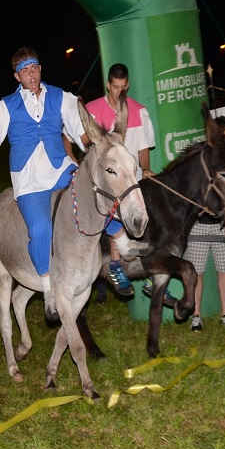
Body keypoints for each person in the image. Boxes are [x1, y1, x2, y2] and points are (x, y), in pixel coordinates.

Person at [0, 47, 91, 321]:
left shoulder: (61, 97)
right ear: (17, 76)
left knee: (96, 195)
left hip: (61, 169)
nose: (32, 74)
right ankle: (49, 289)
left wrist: (95, 150)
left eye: (35, 68)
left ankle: (120, 251)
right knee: (39, 228)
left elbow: (82, 132)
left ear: (40, 68)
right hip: (29, 180)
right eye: (25, 71)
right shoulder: (6, 107)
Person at [85, 63, 168, 303]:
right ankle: (116, 267)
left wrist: (146, 168)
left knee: (152, 220)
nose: (119, 92)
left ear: (127, 85)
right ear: (108, 85)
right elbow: (82, 143)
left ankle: (156, 275)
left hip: (133, 178)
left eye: (123, 87)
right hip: (109, 183)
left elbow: (143, 147)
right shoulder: (93, 110)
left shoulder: (139, 112)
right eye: (115, 87)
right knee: (114, 211)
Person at [184, 116, 225, 331]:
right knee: (197, 273)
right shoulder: (202, 161)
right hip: (198, 225)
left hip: (221, 225)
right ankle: (196, 316)